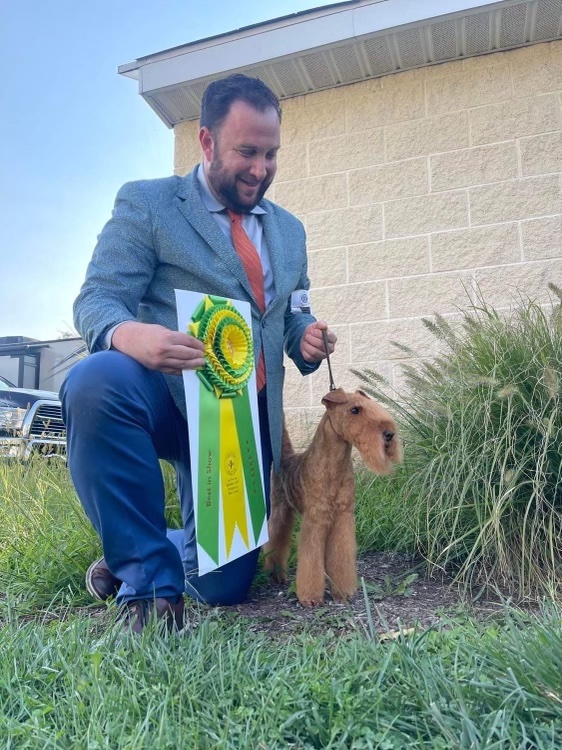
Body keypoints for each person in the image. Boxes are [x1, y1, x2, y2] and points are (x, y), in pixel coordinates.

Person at [60, 73, 336, 633]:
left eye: (271, 154)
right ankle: (149, 589)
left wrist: (305, 338)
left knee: (224, 587)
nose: (260, 169)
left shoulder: (290, 231)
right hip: (158, 396)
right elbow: (98, 298)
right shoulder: (149, 203)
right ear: (207, 142)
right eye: (246, 152)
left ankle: (139, 544)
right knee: (94, 381)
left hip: (237, 424)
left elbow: (292, 312)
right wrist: (129, 334)